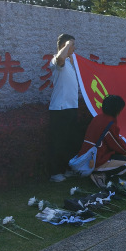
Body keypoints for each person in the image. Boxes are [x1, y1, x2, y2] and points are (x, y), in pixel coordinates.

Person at [76, 95, 126, 189]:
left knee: (123, 156)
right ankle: (100, 174)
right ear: (116, 110)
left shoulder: (98, 118)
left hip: (86, 155)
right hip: (96, 159)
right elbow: (117, 145)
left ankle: (99, 172)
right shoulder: (109, 123)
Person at [48, 33, 80, 183]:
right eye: (72, 45)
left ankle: (66, 169)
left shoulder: (69, 63)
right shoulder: (56, 60)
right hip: (60, 108)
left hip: (71, 107)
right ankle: (55, 173)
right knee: (58, 142)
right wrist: (67, 45)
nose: (74, 48)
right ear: (63, 46)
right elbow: (60, 58)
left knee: (69, 141)